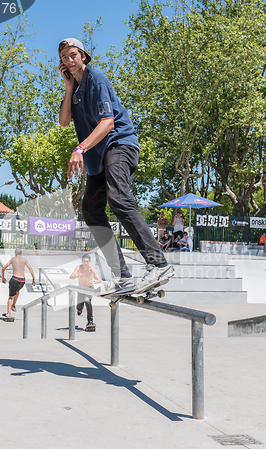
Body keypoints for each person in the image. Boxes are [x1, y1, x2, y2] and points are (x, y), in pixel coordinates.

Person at [58, 38, 174, 295]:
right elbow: (64, 122)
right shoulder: (75, 91)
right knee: (90, 210)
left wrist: (79, 149)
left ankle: (158, 263)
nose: (69, 60)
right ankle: (122, 275)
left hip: (119, 145)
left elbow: (108, 123)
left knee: (118, 197)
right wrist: (68, 87)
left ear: (84, 56)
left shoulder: (96, 78)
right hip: (99, 158)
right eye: (64, 57)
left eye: (73, 54)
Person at [70, 253, 102, 330]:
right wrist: (77, 276)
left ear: (89, 261)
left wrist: (94, 282)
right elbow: (71, 277)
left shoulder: (92, 269)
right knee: (79, 306)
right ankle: (79, 309)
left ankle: (90, 321)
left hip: (89, 288)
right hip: (81, 289)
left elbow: (99, 280)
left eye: (87, 261)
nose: (86, 263)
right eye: (84, 261)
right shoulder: (78, 268)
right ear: (82, 261)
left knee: (87, 301)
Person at [1, 249, 36, 318]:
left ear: (14, 253)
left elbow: (3, 268)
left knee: (10, 297)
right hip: (22, 281)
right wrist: (33, 279)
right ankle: (13, 306)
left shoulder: (12, 259)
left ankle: (8, 313)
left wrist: (3, 278)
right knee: (17, 291)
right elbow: (30, 269)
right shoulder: (25, 260)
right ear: (21, 253)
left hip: (15, 279)